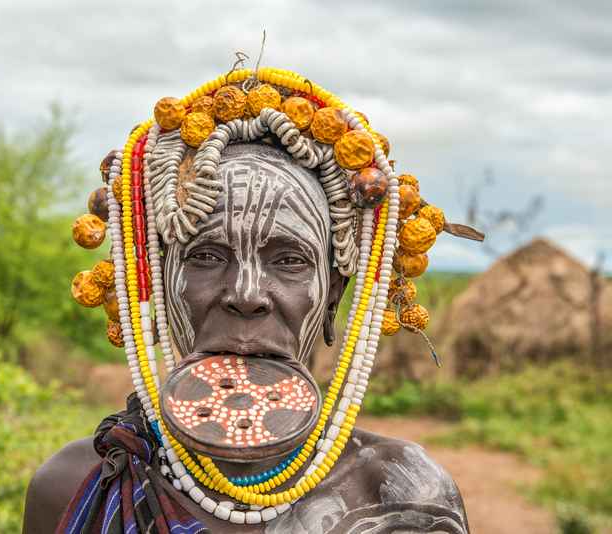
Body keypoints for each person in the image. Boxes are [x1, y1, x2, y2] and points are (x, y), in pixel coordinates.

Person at [24, 66, 473, 533]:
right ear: (158, 281)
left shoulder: (406, 498)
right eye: (206, 255)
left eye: (290, 260)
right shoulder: (76, 486)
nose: (246, 294)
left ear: (333, 295)